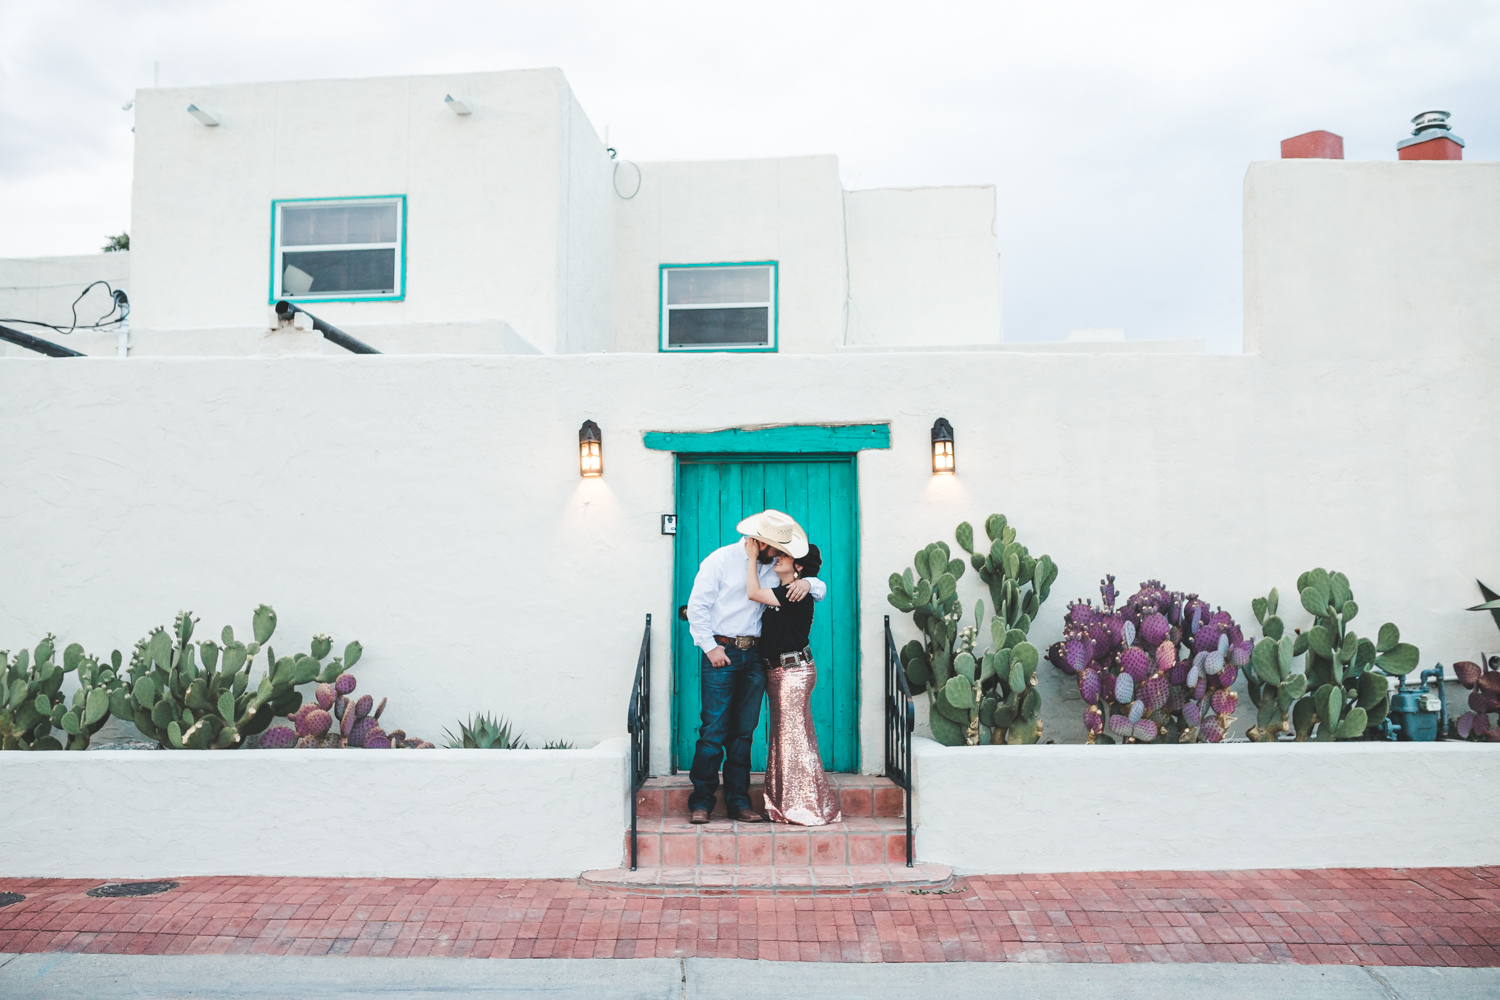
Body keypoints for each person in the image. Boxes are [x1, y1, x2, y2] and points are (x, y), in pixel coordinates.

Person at [685, 509, 826, 824]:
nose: (778, 554)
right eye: (775, 546)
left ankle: (738, 802)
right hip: (722, 652)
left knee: (743, 733)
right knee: (713, 730)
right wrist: (709, 647)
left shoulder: (770, 567)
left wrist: (812, 582)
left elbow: (808, 578)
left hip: (756, 658)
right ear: (759, 541)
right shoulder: (720, 560)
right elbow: (697, 607)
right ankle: (701, 802)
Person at [743, 537, 841, 826]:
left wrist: (751, 558)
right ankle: (786, 804)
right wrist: (811, 582)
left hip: (793, 673)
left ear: (797, 567)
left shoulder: (796, 593)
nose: (777, 559)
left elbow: (752, 592)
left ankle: (808, 806)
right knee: (784, 738)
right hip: (778, 673)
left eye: (784, 556)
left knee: (794, 738)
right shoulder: (788, 589)